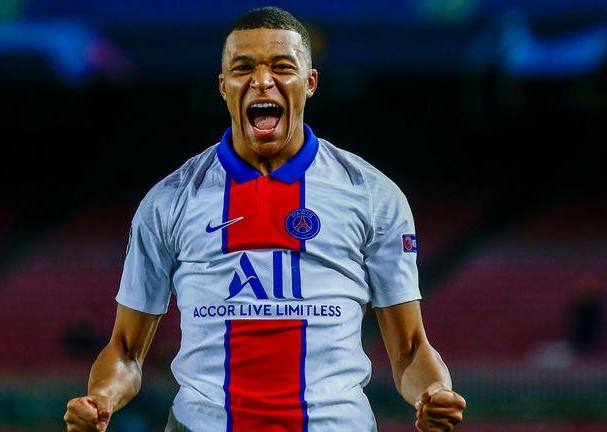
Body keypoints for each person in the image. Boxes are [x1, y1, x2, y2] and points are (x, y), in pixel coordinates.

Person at [64, 6, 465, 432]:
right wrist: (101, 398)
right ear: (223, 86)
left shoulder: (372, 196)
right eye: (243, 68)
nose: (261, 80)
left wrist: (434, 391)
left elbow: (409, 349)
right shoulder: (169, 201)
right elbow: (125, 349)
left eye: (281, 66)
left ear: (310, 82)